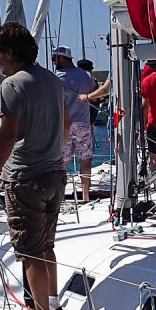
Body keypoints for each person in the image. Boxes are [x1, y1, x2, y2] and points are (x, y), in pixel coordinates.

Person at [0, 22, 71, 310]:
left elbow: (7, 136)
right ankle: (54, 306)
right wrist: (54, 152)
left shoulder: (12, 85)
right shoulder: (52, 80)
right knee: (47, 245)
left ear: (10, 53)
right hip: (55, 173)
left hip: (25, 177)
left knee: (31, 251)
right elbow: (66, 122)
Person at [51, 45, 98, 201]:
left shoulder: (55, 77)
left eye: (55, 58)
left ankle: (60, 197)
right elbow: (93, 91)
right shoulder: (85, 74)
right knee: (86, 160)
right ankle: (86, 196)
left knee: (62, 162)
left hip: (63, 125)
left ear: (62, 58)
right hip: (82, 123)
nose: (53, 61)